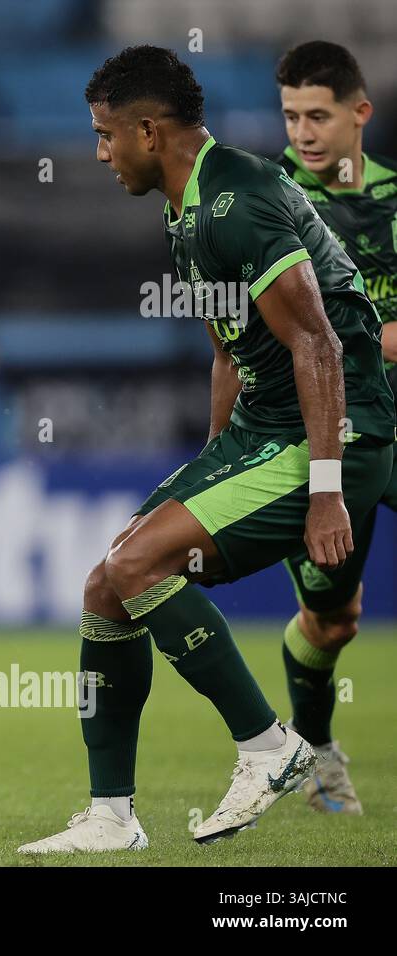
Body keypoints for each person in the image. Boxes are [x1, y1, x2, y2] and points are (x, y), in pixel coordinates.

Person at [19, 45, 394, 854]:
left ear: (148, 131)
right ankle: (111, 818)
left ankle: (269, 746)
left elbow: (320, 347)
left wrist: (326, 491)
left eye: (104, 135)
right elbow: (229, 350)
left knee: (135, 566)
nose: (99, 152)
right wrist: (214, 462)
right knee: (105, 587)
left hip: (335, 428)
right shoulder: (185, 205)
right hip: (266, 429)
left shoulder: (238, 199)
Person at [273, 39, 397, 815]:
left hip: (391, 421)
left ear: (360, 114)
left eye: (318, 115)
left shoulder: (394, 199)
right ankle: (315, 751)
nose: (302, 133)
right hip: (315, 437)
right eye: (290, 116)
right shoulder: (266, 199)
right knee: (334, 619)